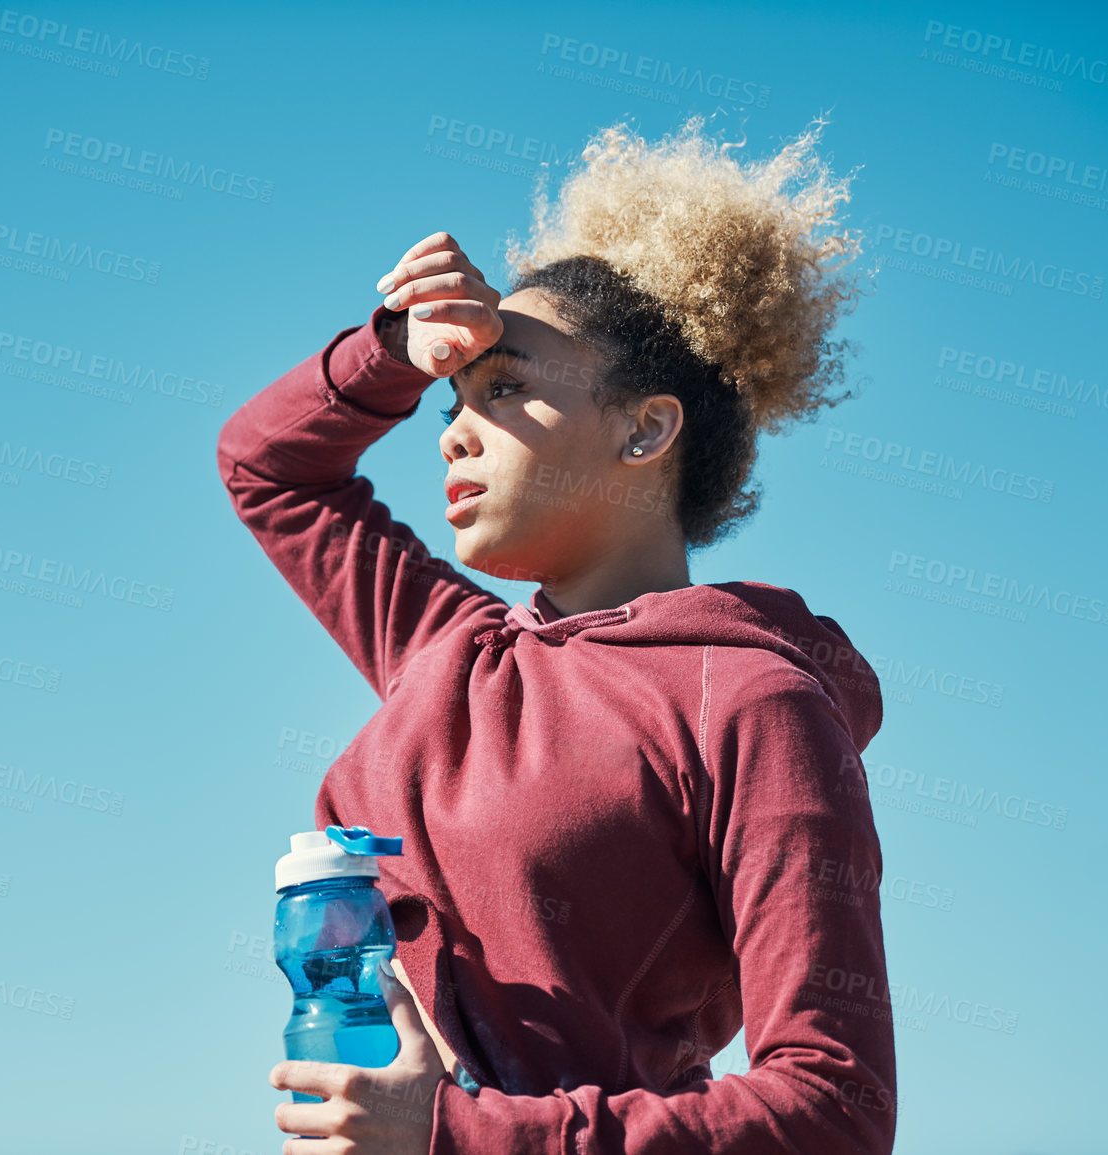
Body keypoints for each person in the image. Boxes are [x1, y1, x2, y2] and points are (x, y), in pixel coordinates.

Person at [219, 115, 896, 1153]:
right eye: (451, 397)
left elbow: (834, 1109)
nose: (450, 427)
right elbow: (269, 467)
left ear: (646, 429)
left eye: (504, 387)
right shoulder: (446, 645)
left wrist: (464, 1134)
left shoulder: (757, 704)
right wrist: (388, 351)